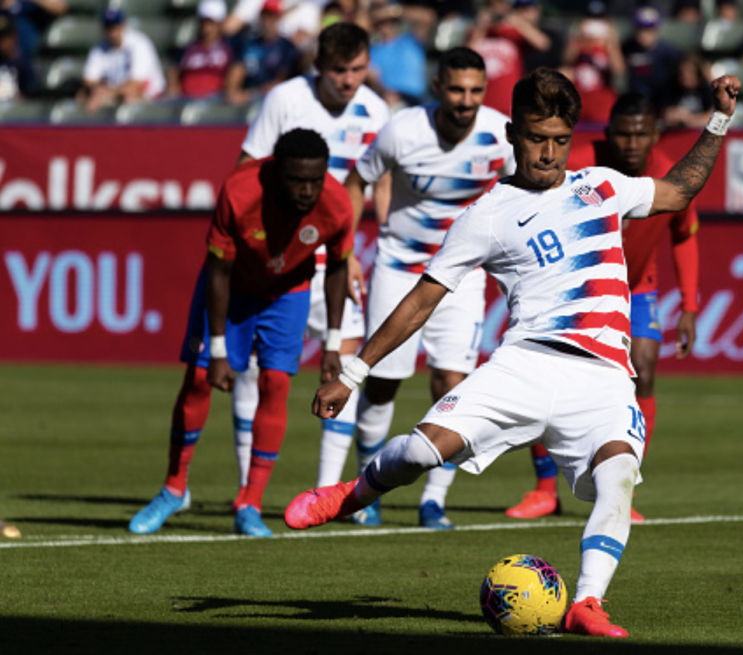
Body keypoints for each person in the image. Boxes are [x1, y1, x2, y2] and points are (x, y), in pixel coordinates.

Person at [285, 67, 740, 637]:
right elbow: (423, 300)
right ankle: (352, 494)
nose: (547, 153)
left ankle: (587, 603)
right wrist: (351, 373)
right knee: (425, 453)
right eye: (534, 138)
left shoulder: (601, 185)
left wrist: (719, 119)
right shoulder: (488, 215)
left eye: (558, 140)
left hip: (602, 377)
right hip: (524, 365)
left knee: (619, 473)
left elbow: (679, 190)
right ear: (512, 135)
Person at [128, 129, 356, 538]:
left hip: (289, 293)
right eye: (296, 180)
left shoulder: (336, 204)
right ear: (275, 173)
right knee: (198, 379)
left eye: (314, 181)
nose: (307, 191)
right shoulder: (239, 192)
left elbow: (337, 268)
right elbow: (217, 270)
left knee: (276, 384)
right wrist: (217, 350)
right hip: (231, 289)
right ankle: (173, 489)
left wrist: (332, 344)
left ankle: (250, 503)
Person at [338, 46, 515, 530]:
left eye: (475, 90)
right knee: (382, 382)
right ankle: (365, 491)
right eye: (457, 89)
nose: (466, 99)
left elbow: (523, 192)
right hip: (399, 268)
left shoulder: (500, 136)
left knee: (452, 386)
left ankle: (433, 501)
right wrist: (349, 250)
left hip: (462, 274)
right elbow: (357, 182)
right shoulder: (402, 130)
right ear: (437, 87)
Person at [506, 92, 700, 523]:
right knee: (546, 375)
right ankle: (543, 490)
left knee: (644, 370)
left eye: (641, 134)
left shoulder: (670, 171)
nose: (632, 143)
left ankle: (621, 490)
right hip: (575, 286)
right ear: (608, 133)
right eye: (623, 134)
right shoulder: (580, 164)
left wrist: (689, 303)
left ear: (653, 134)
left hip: (637, 287)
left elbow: (685, 234)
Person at [233, 21, 390, 512]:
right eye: (339, 70)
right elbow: (246, 168)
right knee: (255, 372)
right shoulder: (285, 99)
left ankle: (324, 492)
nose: (349, 80)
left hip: (337, 258)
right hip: (281, 257)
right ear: (318, 66)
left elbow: (378, 184)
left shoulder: (376, 111)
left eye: (358, 70)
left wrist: (365, 248)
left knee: (342, 365)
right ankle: (248, 493)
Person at [467, 0, 552, 117]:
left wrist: (517, 22)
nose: (497, 11)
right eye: (492, 7)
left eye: (501, 6)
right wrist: (482, 26)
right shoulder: (477, 33)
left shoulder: (513, 32)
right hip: (480, 102)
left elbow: (543, 43)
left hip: (508, 103)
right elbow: (466, 56)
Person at [77, 7, 166, 113]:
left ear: (123, 25)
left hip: (149, 96)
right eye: (109, 27)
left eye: (115, 26)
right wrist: (99, 90)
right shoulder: (100, 47)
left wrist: (105, 92)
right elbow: (88, 80)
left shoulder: (139, 44)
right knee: (82, 95)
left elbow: (135, 85)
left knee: (129, 98)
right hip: (115, 93)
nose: (112, 32)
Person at [224, 0, 300, 107]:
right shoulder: (249, 43)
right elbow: (236, 70)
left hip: (275, 104)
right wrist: (232, 92)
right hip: (245, 105)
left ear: (278, 17)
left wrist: (251, 95)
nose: (267, 20)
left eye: (272, 16)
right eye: (264, 15)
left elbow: (282, 82)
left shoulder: (286, 47)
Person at [561, 0, 625, 123]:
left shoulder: (610, 46)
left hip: (602, 103)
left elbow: (619, 70)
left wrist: (610, 42)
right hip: (578, 101)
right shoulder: (578, 43)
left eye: (598, 21)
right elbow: (567, 59)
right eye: (591, 20)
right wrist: (579, 38)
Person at [166, 0, 235, 99]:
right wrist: (173, 88)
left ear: (220, 23)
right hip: (186, 100)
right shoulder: (188, 49)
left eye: (211, 23)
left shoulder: (229, 48)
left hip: (216, 102)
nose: (206, 28)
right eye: (203, 22)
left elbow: (234, 75)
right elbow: (174, 72)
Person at [367, 2, 427, 110]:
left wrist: (393, 11)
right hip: (388, 100)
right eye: (381, 23)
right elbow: (373, 78)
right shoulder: (373, 51)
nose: (385, 26)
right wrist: (385, 93)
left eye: (389, 21)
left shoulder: (411, 41)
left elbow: (427, 18)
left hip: (415, 99)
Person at [622, 6, 680, 105]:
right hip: (636, 102)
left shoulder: (669, 52)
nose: (643, 35)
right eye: (640, 29)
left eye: (649, 30)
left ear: (658, 30)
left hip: (662, 103)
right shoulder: (627, 47)